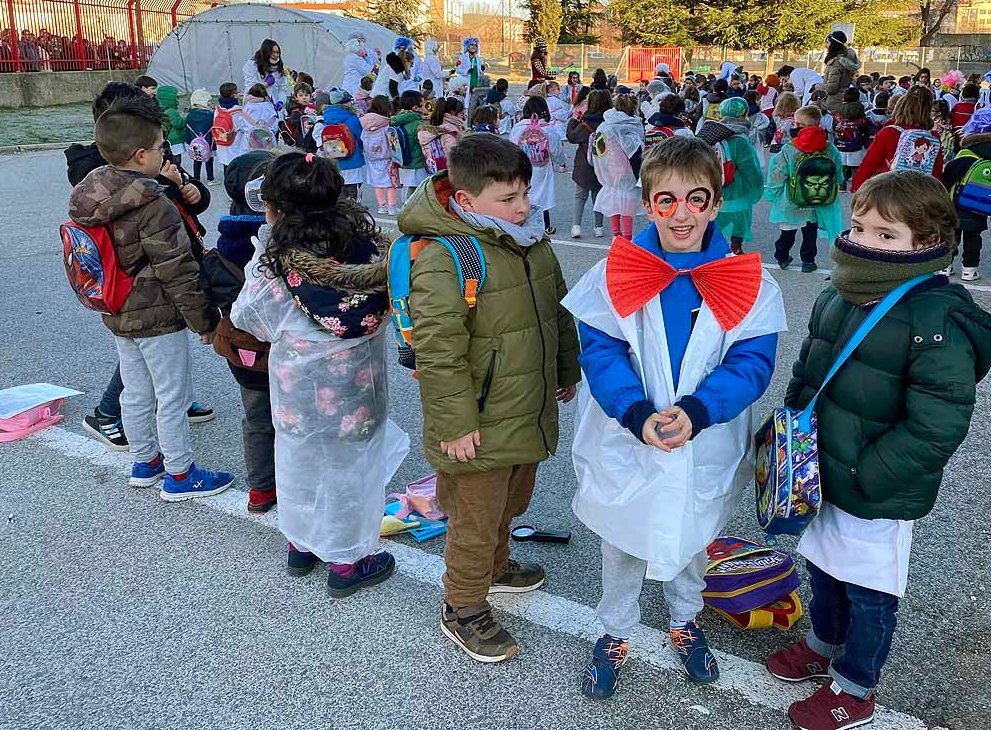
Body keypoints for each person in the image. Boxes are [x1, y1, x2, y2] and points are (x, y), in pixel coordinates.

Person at [767, 170, 991, 730]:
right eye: (860, 228)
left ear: (927, 243)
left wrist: (869, 473)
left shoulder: (934, 317)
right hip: (820, 470)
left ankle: (856, 685)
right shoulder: (840, 292)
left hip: (876, 486)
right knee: (823, 567)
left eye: (886, 236)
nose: (865, 243)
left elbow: (938, 424)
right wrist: (792, 428)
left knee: (870, 589)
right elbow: (810, 366)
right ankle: (823, 644)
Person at [564, 135, 785, 700]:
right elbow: (601, 350)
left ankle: (685, 620)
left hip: (703, 435)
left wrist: (698, 411)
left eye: (696, 198)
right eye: (666, 200)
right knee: (625, 537)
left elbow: (752, 362)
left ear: (716, 203)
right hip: (630, 432)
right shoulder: (617, 272)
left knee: (692, 534)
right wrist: (636, 413)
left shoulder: (749, 280)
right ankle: (615, 629)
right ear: (646, 203)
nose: (681, 213)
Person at [397, 133, 580, 661]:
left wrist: (566, 370)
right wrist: (455, 424)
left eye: (524, 193)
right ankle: (463, 606)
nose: (522, 206)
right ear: (465, 199)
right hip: (474, 418)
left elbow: (558, 313)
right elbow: (438, 349)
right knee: (474, 518)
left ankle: (496, 569)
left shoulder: (530, 242)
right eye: (508, 199)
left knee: (511, 499)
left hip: (524, 404)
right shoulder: (448, 255)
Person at [232, 152, 409, 595]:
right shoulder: (369, 251)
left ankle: (300, 545)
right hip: (356, 388)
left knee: (298, 463)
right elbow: (390, 306)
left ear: (272, 208)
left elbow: (249, 318)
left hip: (297, 389)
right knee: (353, 471)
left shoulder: (274, 261)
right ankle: (348, 561)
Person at [66, 95, 232, 501]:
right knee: (171, 395)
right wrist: (206, 321)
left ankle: (145, 461)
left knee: (136, 391)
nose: (165, 154)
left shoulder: (91, 193)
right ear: (141, 155)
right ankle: (180, 473)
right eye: (160, 148)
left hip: (116, 307)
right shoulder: (152, 203)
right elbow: (177, 269)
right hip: (158, 315)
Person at [206, 151, 278, 513]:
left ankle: (261, 489)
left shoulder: (223, 246)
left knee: (257, 418)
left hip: (243, 353)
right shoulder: (279, 243)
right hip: (283, 350)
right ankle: (297, 484)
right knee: (293, 419)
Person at [941, 107, 991, 282]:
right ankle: (970, 269)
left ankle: (946, 266)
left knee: (952, 236)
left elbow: (948, 176)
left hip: (957, 205)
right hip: (981, 207)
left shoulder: (967, 154)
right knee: (974, 238)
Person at [765, 105, 844, 272]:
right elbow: (838, 172)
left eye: (795, 123)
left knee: (787, 231)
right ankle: (808, 262)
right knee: (810, 233)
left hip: (792, 198)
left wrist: (772, 194)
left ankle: (782, 257)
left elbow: (777, 174)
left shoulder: (790, 147)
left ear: (799, 125)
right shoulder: (829, 147)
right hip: (817, 198)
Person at [696, 96, 765, 255]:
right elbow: (751, 171)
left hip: (716, 190)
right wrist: (757, 188)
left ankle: (711, 249)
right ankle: (736, 247)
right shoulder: (740, 140)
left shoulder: (712, 133)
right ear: (743, 114)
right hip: (738, 191)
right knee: (740, 221)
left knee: (716, 223)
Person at [851, 86, 943, 191]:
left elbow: (870, 164)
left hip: (890, 191)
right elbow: (936, 171)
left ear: (901, 108)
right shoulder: (933, 136)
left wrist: (857, 188)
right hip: (919, 194)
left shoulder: (888, 132)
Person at [592, 94, 645, 240]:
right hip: (626, 173)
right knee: (627, 207)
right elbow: (634, 151)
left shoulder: (605, 125)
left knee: (613, 204)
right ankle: (627, 237)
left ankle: (616, 235)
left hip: (607, 171)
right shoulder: (628, 127)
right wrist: (641, 174)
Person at [509, 95, 561, 234]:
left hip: (521, 165)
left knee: (523, 193)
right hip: (542, 167)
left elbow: (511, 147)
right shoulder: (548, 128)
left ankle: (520, 222)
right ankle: (544, 226)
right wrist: (561, 162)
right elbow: (556, 150)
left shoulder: (518, 127)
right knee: (542, 197)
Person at [567, 89, 611, 239]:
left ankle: (576, 226)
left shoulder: (586, 123)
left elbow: (572, 137)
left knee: (580, 196)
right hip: (603, 164)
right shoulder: (609, 122)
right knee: (598, 196)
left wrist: (574, 120)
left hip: (584, 164)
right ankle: (598, 227)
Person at [321, 88, 366, 200]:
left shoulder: (327, 118)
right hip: (353, 158)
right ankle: (355, 208)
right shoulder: (351, 118)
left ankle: (342, 209)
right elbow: (360, 137)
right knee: (354, 190)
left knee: (341, 189)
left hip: (335, 160)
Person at [360, 95, 399, 215]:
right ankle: (392, 206)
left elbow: (362, 138)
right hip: (387, 158)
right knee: (391, 183)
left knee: (378, 183)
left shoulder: (365, 124)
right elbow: (393, 141)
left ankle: (382, 206)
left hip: (372, 159)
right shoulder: (386, 124)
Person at [392, 90, 428, 205]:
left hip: (402, 159)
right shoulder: (416, 123)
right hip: (416, 160)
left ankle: (407, 206)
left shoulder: (398, 119)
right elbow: (422, 141)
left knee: (407, 186)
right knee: (414, 188)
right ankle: (408, 208)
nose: (425, 107)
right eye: (422, 105)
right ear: (415, 108)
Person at [420, 96, 466, 175]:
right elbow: (452, 156)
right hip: (450, 173)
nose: (464, 116)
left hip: (438, 171)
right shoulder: (449, 131)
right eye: (461, 114)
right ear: (452, 113)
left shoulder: (440, 127)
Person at [243, 39, 291, 107]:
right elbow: (250, 88)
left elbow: (283, 89)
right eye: (273, 52)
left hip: (274, 107)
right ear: (266, 53)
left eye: (277, 52)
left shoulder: (280, 67)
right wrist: (265, 84)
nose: (276, 55)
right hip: (256, 106)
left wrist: (281, 101)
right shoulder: (252, 65)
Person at [822, 30, 861, 111]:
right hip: (844, 98)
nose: (826, 45)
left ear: (833, 45)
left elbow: (831, 88)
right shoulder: (847, 60)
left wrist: (819, 86)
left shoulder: (836, 63)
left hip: (834, 102)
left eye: (828, 43)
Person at [183, 88, 217, 182]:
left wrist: (189, 141)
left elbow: (187, 130)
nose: (210, 103)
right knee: (209, 161)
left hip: (195, 144)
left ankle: (196, 178)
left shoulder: (190, 115)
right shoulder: (211, 115)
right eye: (208, 101)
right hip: (209, 143)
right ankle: (210, 179)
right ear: (203, 102)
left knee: (196, 161)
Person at [157, 86, 187, 159]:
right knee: (177, 159)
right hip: (175, 140)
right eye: (176, 97)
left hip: (168, 140)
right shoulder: (171, 111)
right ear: (170, 98)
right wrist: (185, 118)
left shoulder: (162, 110)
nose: (177, 99)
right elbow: (178, 124)